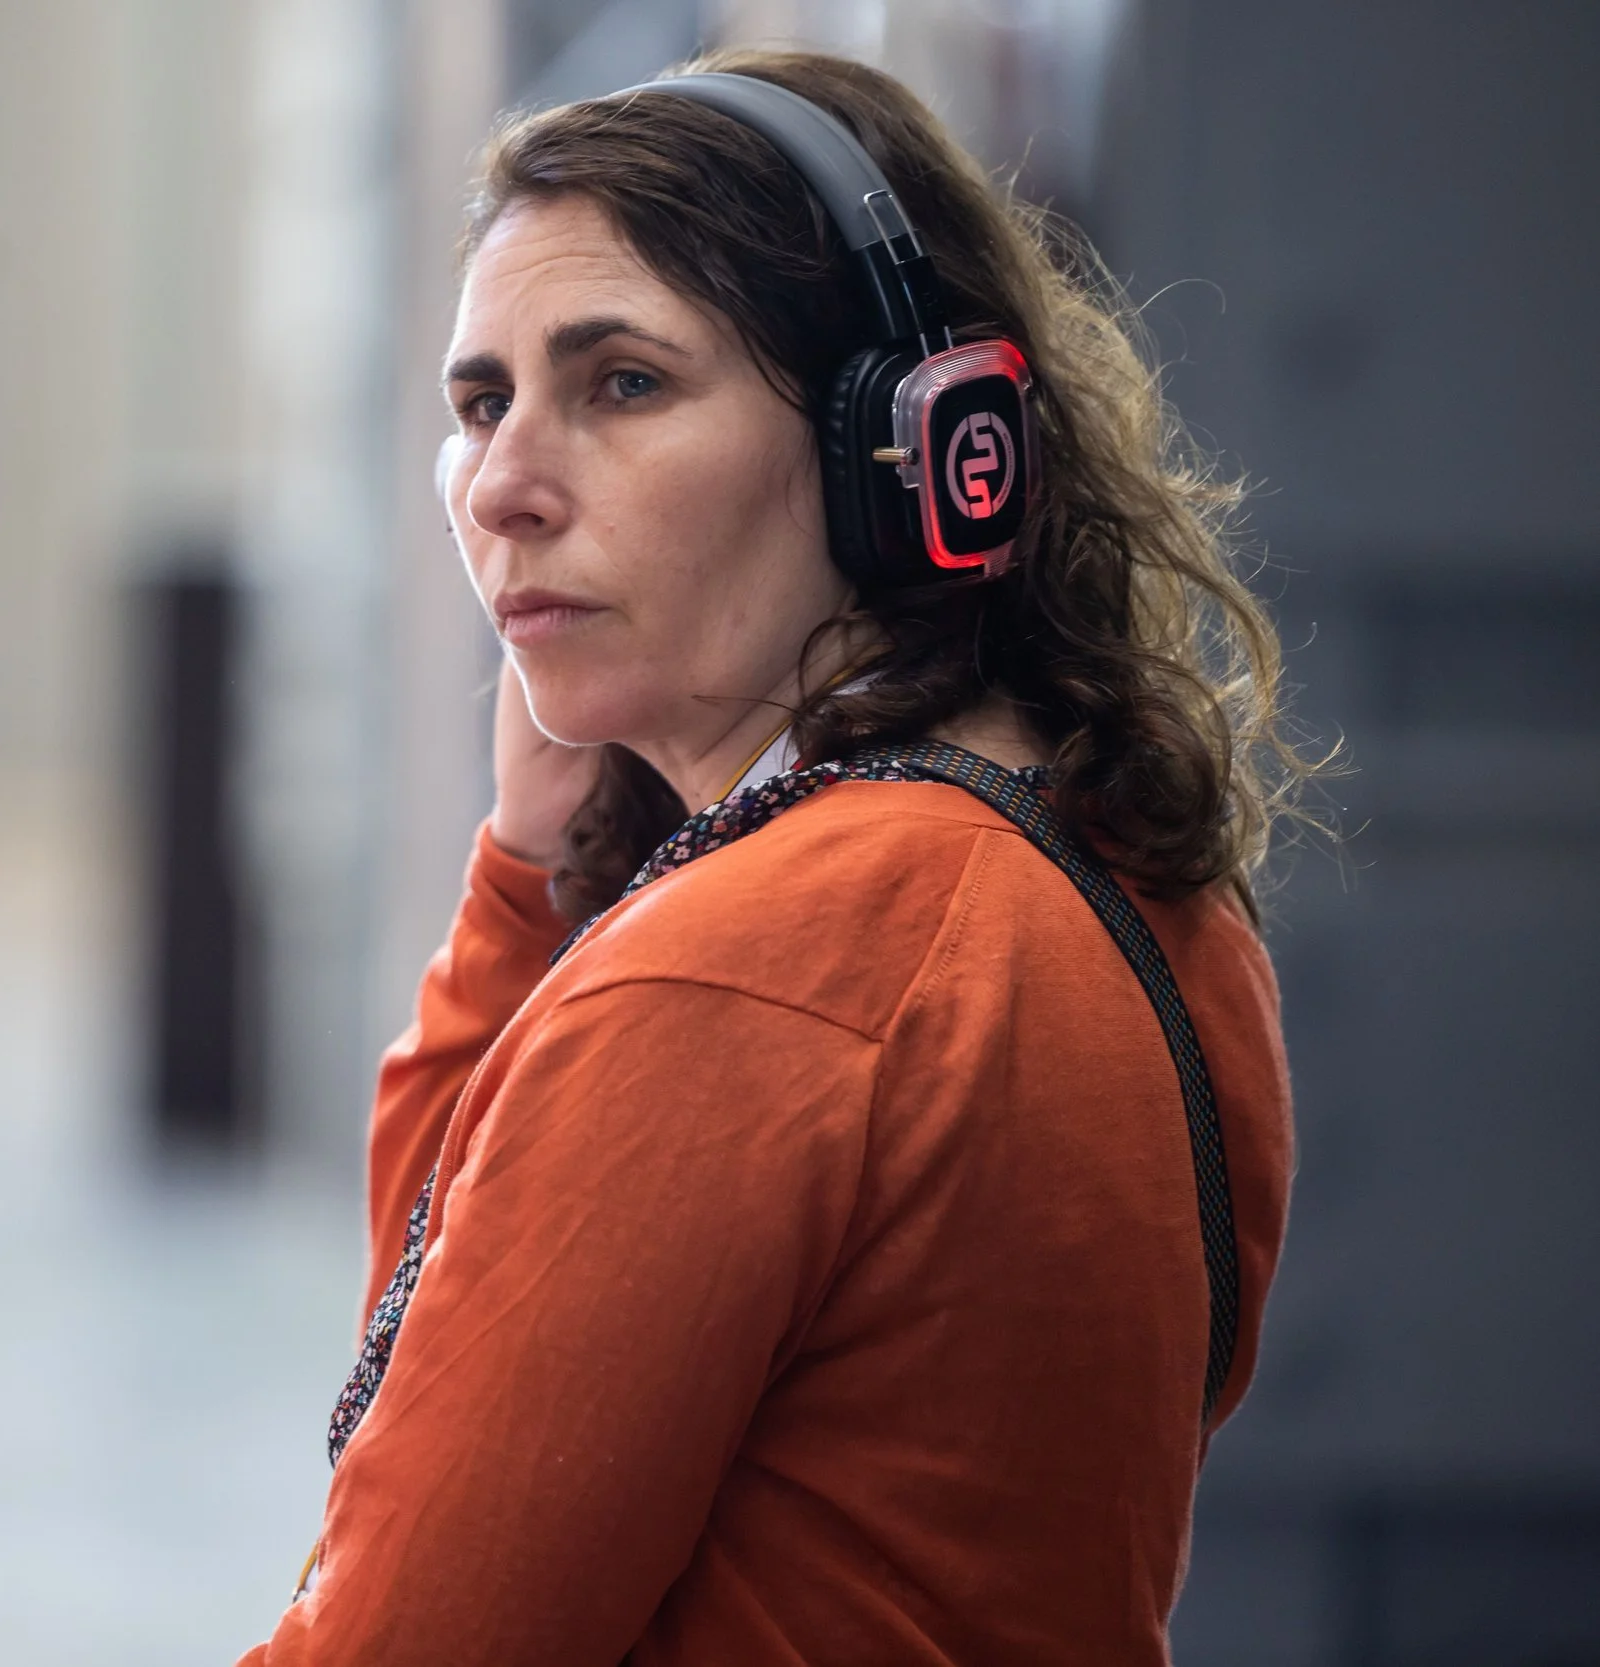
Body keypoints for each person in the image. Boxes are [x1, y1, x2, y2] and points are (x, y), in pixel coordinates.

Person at [239, 49, 1310, 1667]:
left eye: (624, 384)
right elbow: (435, 1371)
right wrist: (530, 877)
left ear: (907, 442)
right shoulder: (1144, 888)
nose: (506, 487)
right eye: (481, 403)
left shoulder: (745, 971)